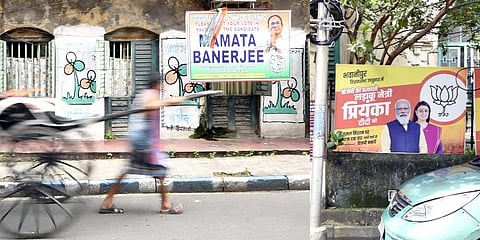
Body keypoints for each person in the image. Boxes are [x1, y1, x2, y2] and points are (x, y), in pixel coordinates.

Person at [99, 72, 186, 214]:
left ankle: (107, 203)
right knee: (161, 169)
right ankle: (165, 206)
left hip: (139, 139)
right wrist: (170, 101)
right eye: (161, 83)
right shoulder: (151, 94)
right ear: (157, 83)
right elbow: (148, 111)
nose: (162, 86)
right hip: (144, 142)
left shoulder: (145, 93)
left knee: (128, 170)